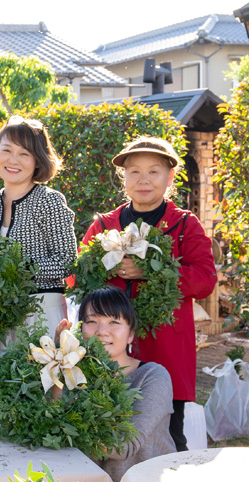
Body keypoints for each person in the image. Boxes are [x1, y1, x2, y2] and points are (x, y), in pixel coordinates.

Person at [81, 136, 216, 451]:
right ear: (123, 178)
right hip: (108, 347)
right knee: (105, 431)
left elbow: (205, 278)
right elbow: (78, 277)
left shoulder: (184, 225)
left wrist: (153, 271)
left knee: (167, 436)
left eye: (154, 171)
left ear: (169, 178)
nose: (144, 179)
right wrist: (105, 267)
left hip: (166, 347)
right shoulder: (104, 225)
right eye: (134, 171)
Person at [57, 286, 175, 482]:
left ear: (130, 334)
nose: (102, 332)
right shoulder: (76, 373)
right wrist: (58, 363)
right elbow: (52, 420)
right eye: (92, 321)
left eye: (114, 322)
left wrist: (66, 425)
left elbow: (123, 446)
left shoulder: (152, 376)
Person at [0, 115, 77, 336]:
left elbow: (67, 261)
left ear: (37, 160)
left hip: (43, 310)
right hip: (2, 313)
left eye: (24, 153)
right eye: (6, 150)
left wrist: (19, 273)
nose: (13, 160)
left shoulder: (49, 200)